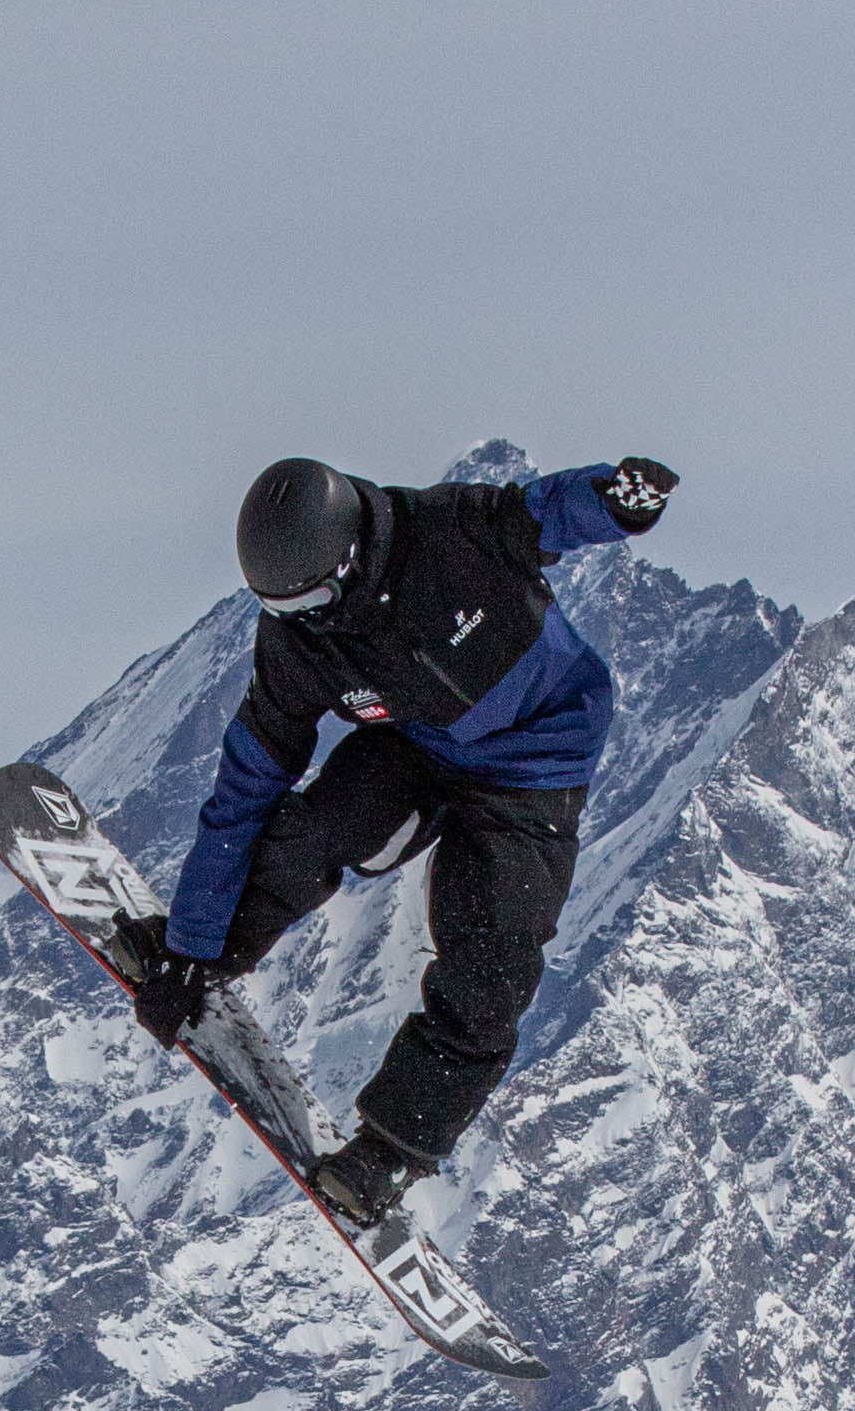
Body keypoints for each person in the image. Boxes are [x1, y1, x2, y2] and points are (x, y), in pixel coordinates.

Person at [130, 452, 679, 1232]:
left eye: (314, 597)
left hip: (533, 768)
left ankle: (391, 1151)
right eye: (278, 606)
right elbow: (248, 776)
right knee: (313, 829)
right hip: (418, 748)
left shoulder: (449, 532)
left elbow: (547, 511)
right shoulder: (297, 640)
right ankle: (214, 956)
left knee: (491, 956)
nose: (303, 618)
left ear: (349, 559)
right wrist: (187, 944)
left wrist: (617, 503)